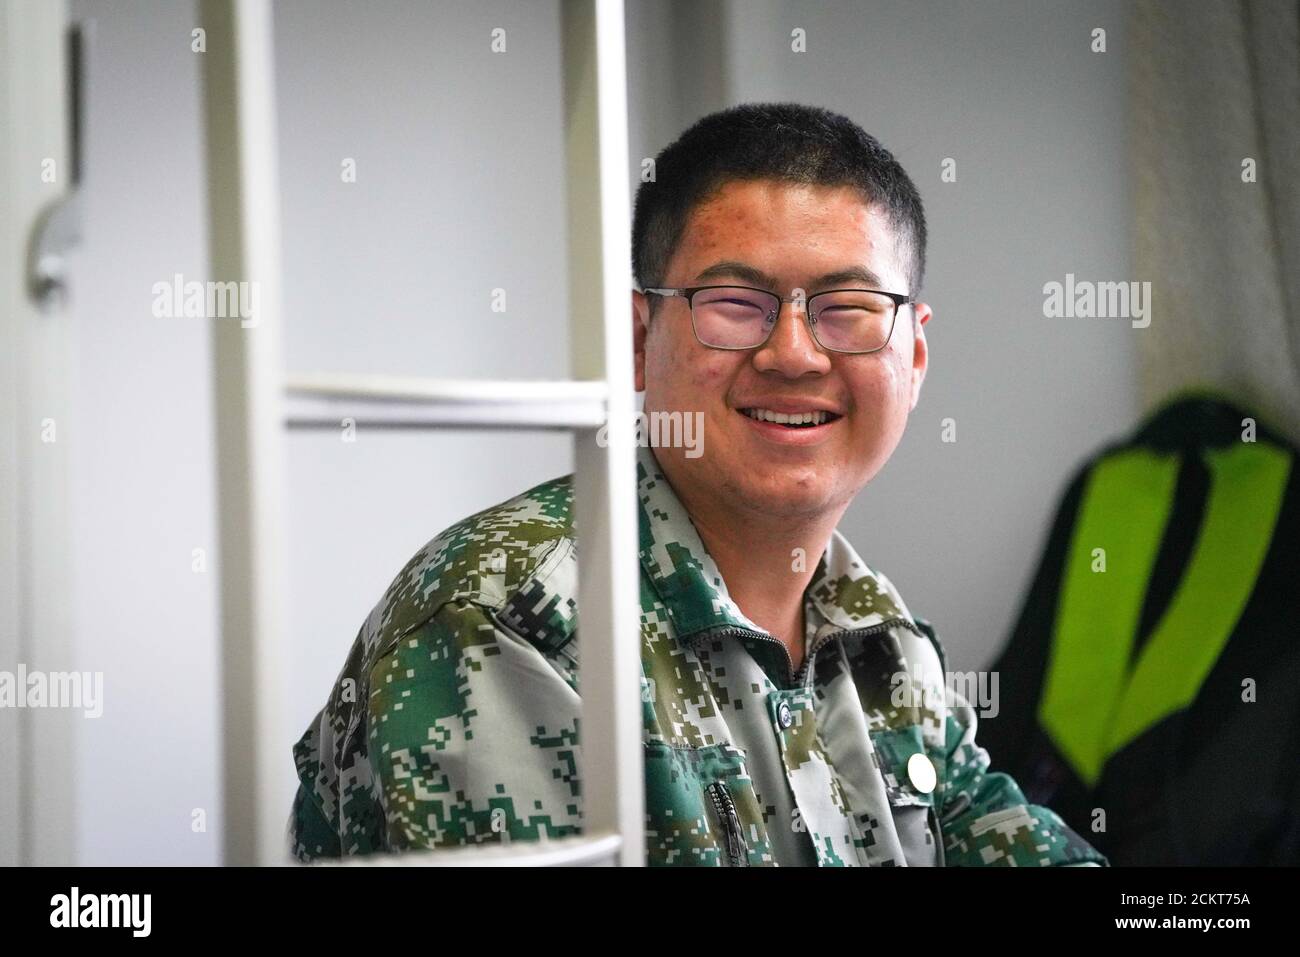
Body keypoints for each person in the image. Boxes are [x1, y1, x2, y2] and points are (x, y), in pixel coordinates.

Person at [288, 102, 1107, 867]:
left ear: (914, 356)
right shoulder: (512, 620)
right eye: (736, 302)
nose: (794, 353)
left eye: (847, 306)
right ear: (640, 342)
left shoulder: (878, 640)